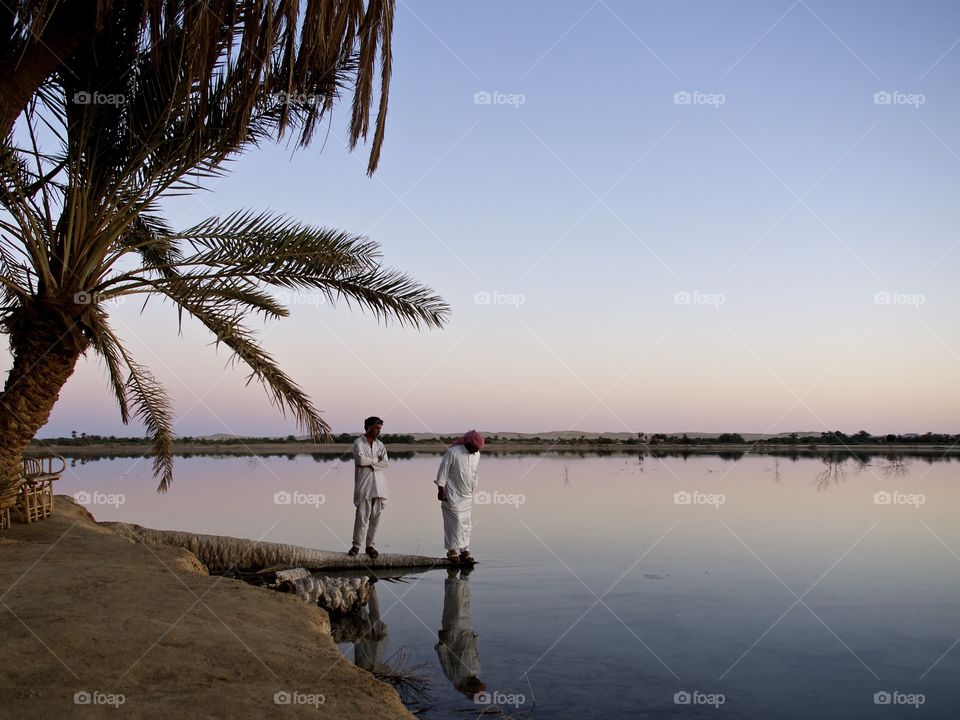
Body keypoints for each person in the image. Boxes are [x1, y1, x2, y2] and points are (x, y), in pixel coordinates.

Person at [435, 566, 485, 698]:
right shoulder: (477, 671)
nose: (478, 682)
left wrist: (441, 643)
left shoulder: (454, 677)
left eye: (475, 685)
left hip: (453, 635)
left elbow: (444, 660)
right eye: (478, 684)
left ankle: (452, 575)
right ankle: (464, 576)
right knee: (465, 605)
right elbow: (476, 654)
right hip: (467, 632)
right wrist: (475, 638)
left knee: (454, 605)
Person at [436, 430, 484, 563]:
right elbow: (443, 471)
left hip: (467, 494)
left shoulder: (477, 454)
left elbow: (474, 472)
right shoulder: (453, 452)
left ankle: (464, 550)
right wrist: (440, 489)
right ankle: (452, 550)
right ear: (468, 443)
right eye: (475, 447)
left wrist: (474, 486)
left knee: (466, 523)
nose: (476, 450)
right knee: (454, 522)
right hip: (451, 493)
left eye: (478, 448)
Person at [350, 416, 388, 558]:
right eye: (377, 428)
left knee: (375, 517)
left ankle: (370, 546)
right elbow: (360, 460)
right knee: (362, 516)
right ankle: (356, 545)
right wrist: (375, 461)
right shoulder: (358, 443)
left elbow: (386, 463)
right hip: (364, 484)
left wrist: (370, 463)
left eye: (380, 428)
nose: (378, 431)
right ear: (369, 427)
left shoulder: (380, 445)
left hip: (379, 485)